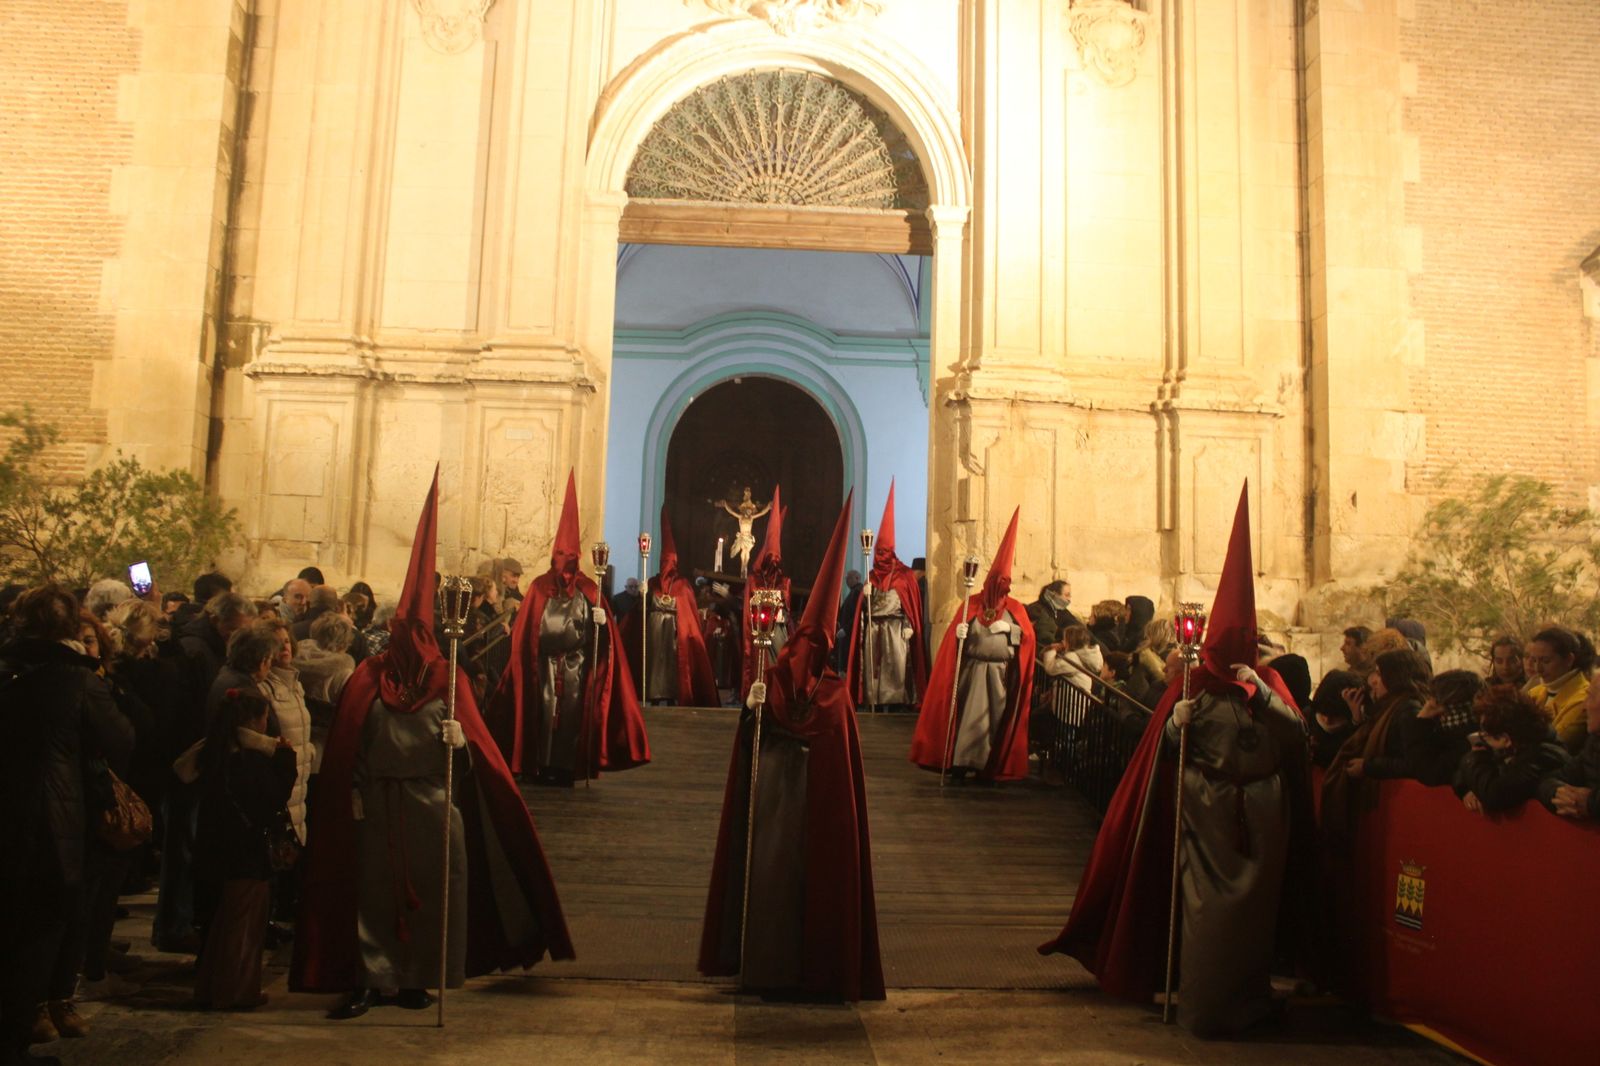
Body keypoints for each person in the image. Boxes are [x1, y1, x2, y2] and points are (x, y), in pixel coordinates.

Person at [292, 468, 575, 1018]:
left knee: (436, 894)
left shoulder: (450, 681)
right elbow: (350, 743)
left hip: (432, 801)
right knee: (373, 894)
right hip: (379, 804)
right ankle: (370, 978)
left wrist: (460, 738)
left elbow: (479, 762)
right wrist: (351, 792)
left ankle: (420, 978)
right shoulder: (368, 679)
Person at [1039, 483, 1315, 1038]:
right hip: (1204, 807)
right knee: (1202, 908)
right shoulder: (1191, 687)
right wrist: (1173, 723)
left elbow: (1297, 739)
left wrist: (1263, 695)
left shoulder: (1269, 683)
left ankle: (1249, 997)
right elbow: (1159, 753)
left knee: (1253, 920)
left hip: (1261, 810)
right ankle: (1202, 997)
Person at [698, 491, 884, 1001]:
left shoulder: (836, 697)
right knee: (771, 879)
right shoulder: (776, 682)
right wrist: (754, 708)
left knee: (810, 882)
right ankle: (763, 964)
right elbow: (753, 736)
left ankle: (812, 966)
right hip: (775, 804)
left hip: (814, 812)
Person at [1, 585, 132, 1064]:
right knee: (36, 941)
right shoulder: (77, 680)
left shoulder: (8, 666)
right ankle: (13, 1043)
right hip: (50, 827)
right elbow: (121, 738)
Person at [494, 470, 650, 785]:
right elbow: (525, 635)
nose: (565, 566)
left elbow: (605, 644)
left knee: (570, 719)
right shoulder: (538, 588)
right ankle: (538, 764)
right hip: (543, 665)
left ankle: (566, 769)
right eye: (560, 557)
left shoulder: (590, 591)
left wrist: (603, 624)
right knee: (543, 713)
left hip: (576, 667)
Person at [909, 507, 1036, 783]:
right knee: (967, 719)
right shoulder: (971, 604)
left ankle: (985, 766)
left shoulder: (1016, 611)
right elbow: (953, 645)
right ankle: (960, 762)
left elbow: (1026, 642)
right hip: (972, 672)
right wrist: (960, 633)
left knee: (991, 723)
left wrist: (1012, 630)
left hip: (999, 675)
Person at [192, 688, 296, 1010]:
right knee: (244, 925)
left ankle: (213, 987)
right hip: (246, 851)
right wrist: (286, 761)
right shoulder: (248, 759)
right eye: (265, 716)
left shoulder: (215, 751)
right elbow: (270, 799)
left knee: (225, 922)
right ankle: (235, 991)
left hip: (219, 847)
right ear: (253, 720)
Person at [844, 481, 929, 712]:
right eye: (877, 552)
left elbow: (907, 604)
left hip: (896, 630)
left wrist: (910, 624)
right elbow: (865, 609)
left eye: (884, 552)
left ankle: (897, 704)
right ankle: (875, 702)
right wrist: (865, 597)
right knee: (874, 670)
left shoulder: (904, 576)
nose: (880, 556)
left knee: (896, 669)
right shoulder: (871, 576)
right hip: (874, 631)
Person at [623, 507, 720, 708]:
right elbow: (639, 612)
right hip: (655, 636)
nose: (667, 566)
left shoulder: (682, 585)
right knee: (655, 668)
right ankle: (653, 697)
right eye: (664, 562)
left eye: (670, 562)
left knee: (671, 669)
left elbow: (689, 617)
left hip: (674, 637)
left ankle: (672, 696)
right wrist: (643, 596)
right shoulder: (651, 583)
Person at [1453, 688, 1567, 814]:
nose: (1482, 736)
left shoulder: (1542, 757)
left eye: (1485, 733)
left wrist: (1476, 756)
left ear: (1505, 739)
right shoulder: (1512, 748)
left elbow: (1495, 794)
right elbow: (1461, 775)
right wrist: (1470, 790)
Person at [741, 486, 791, 700]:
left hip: (777, 631)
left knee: (778, 665)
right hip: (758, 632)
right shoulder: (754, 579)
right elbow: (748, 608)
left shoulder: (783, 581)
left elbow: (786, 608)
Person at [1397, 669, 1486, 787]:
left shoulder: (1467, 742)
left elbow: (1427, 773)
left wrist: (1421, 720)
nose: (1428, 704)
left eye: (1435, 700)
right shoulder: (1446, 732)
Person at [1523, 626, 1593, 753]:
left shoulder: (1584, 699)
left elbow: (1556, 744)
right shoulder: (1534, 692)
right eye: (1534, 660)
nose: (1538, 668)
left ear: (1569, 660)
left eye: (1545, 660)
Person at [1538, 679, 1600, 821]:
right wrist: (1558, 793)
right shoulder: (1593, 743)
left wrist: (1591, 803)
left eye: (1590, 697)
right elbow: (1548, 779)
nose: (1584, 707)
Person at [713, 486, 772, 577]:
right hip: (742, 536)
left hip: (748, 537)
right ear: (744, 511)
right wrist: (725, 505)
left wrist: (768, 507)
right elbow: (732, 512)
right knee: (743, 553)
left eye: (750, 510)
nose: (749, 512)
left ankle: (744, 567)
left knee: (746, 553)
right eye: (747, 510)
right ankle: (742, 569)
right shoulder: (740, 518)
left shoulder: (751, 518)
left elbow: (761, 513)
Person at [1040, 624, 1103, 695]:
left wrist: (1053, 649)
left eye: (1065, 639)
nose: (1063, 641)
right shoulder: (1086, 656)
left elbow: (1050, 668)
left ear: (1071, 642)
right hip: (1077, 699)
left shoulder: (1072, 658)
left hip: (1069, 701)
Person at [1025, 580, 1080, 650]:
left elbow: (1078, 628)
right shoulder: (1036, 609)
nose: (1069, 599)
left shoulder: (1063, 611)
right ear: (1055, 594)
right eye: (1066, 595)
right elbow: (1043, 635)